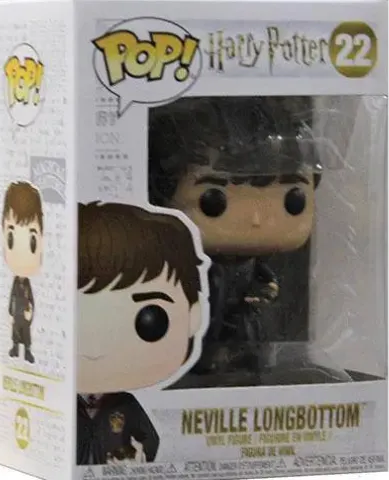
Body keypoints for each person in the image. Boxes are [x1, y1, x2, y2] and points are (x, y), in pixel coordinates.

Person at [149, 96, 322, 372]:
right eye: (213, 202)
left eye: (293, 200)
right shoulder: (184, 265)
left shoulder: (254, 267)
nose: (256, 220)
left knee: (250, 347)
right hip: (194, 326)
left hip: (245, 320)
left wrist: (264, 292)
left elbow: (265, 281)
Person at [77, 202, 207, 464]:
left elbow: (150, 440)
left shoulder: (125, 405)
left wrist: (138, 456)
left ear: (193, 316)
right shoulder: (65, 403)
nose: (94, 349)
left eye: (149, 321)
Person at [2, 181, 44, 364]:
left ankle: (27, 351)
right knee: (15, 332)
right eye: (10, 239)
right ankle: (14, 348)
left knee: (25, 333)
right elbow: (12, 297)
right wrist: (10, 312)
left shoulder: (27, 283)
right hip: (17, 313)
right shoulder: (15, 282)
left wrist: (30, 313)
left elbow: (31, 299)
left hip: (24, 314)